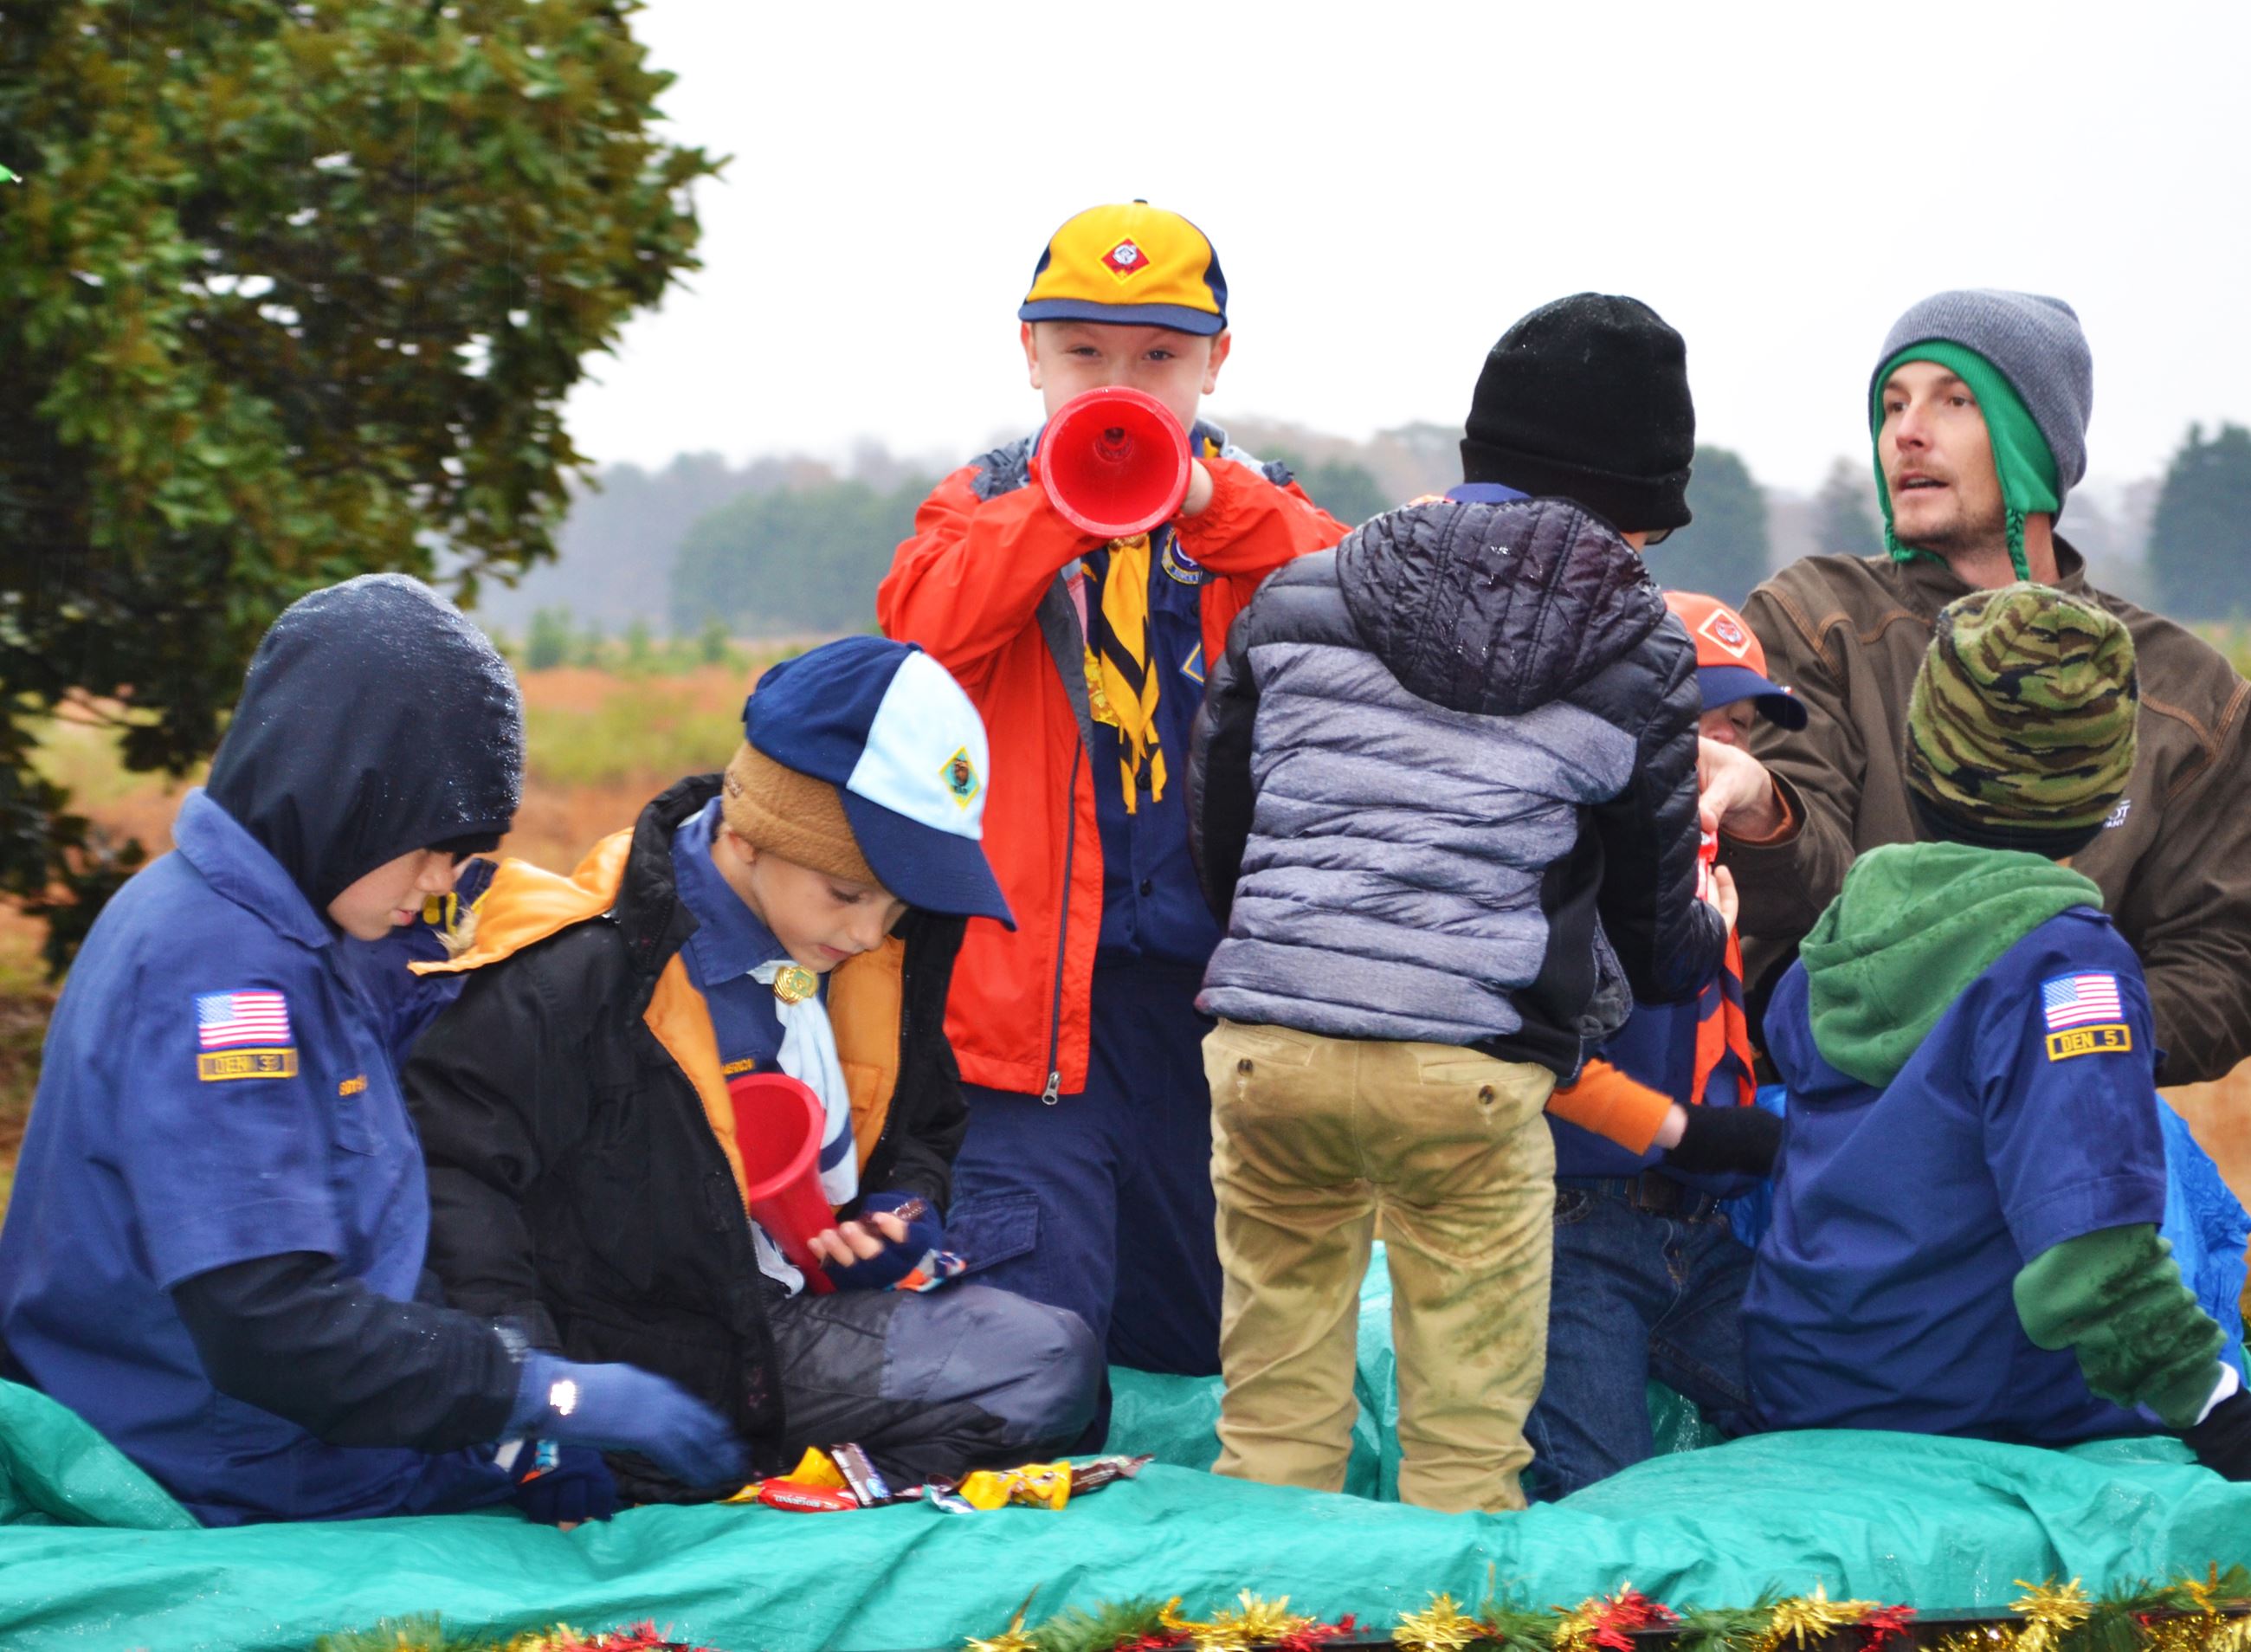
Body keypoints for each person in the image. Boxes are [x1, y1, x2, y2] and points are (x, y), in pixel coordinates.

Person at [0, 576, 744, 1526]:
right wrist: (539, 1392)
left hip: (285, 1431)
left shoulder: (292, 931)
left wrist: (504, 1387)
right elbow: (266, 1321)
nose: (442, 885)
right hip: (228, 1464)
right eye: (434, 848)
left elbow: (365, 1213)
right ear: (344, 794)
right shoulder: (229, 982)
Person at [1185, 293, 1732, 1513]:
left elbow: (1223, 848)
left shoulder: (1297, 595)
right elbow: (1656, 942)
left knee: (1272, 1429)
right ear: (1641, 512)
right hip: (1470, 1076)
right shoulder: (1639, 653)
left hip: (1272, 1045)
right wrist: (1717, 917)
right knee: (1466, 1455)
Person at [403, 636, 1102, 1502]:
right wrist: (538, 1398)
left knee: (1054, 1361)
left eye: (898, 905)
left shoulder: (876, 950)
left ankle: (792, 1490)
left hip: (773, 1336)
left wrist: (900, 1211)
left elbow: (924, 1122)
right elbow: (457, 1175)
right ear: (752, 831)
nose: (866, 935)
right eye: (847, 894)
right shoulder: (586, 966)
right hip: (630, 1358)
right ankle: (679, 1471)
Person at [875, 201, 1346, 1401]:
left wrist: (1211, 506)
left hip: (1214, 1017)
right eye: (1083, 354)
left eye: (1157, 358)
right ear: (1028, 355)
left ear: (1216, 364)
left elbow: (1371, 603)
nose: (1116, 382)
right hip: (1031, 1028)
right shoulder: (974, 504)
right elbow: (914, 646)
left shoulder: (1262, 511)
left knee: (1207, 1343)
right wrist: (1057, 506)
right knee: (1036, 1352)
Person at [1742, 584, 2251, 1478]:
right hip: (1979, 1398)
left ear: (1916, 755)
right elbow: (2086, 1252)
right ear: (2103, 792)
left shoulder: (1844, 927)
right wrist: (2212, 1406)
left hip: (1807, 1376)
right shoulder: (2065, 970)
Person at [1701, 290, 2251, 1085]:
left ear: (2033, 441)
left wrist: (2038, 1043)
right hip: (1828, 1129)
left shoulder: (2190, 697)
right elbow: (1799, 899)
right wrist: (1765, 814)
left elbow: (2222, 963)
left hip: (2059, 1126)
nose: (1907, 432)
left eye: (1954, 401)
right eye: (1892, 405)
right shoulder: (1816, 619)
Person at [1524, 590, 1803, 1500]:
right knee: (1597, 1501)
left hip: (1702, 1235)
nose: (1725, 742)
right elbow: (1525, 1056)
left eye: (1743, 724)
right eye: (1702, 716)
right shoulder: (1562, 849)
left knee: (1837, 1437)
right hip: (1577, 1228)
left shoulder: (1705, 856)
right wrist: (1682, 1128)